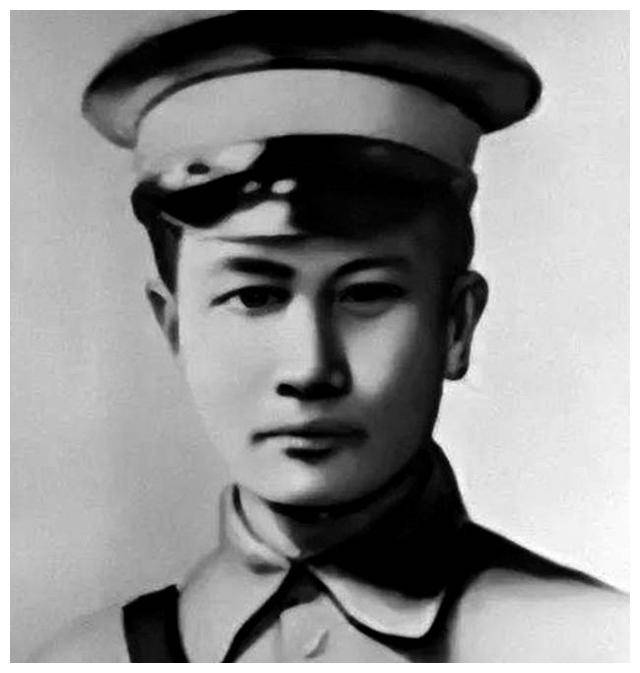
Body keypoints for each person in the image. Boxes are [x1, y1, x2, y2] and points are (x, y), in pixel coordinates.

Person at [32, 10, 628, 663]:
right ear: (174, 330)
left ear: (456, 326)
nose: (310, 369)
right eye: (254, 296)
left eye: (366, 294)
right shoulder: (81, 662)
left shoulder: (598, 646)